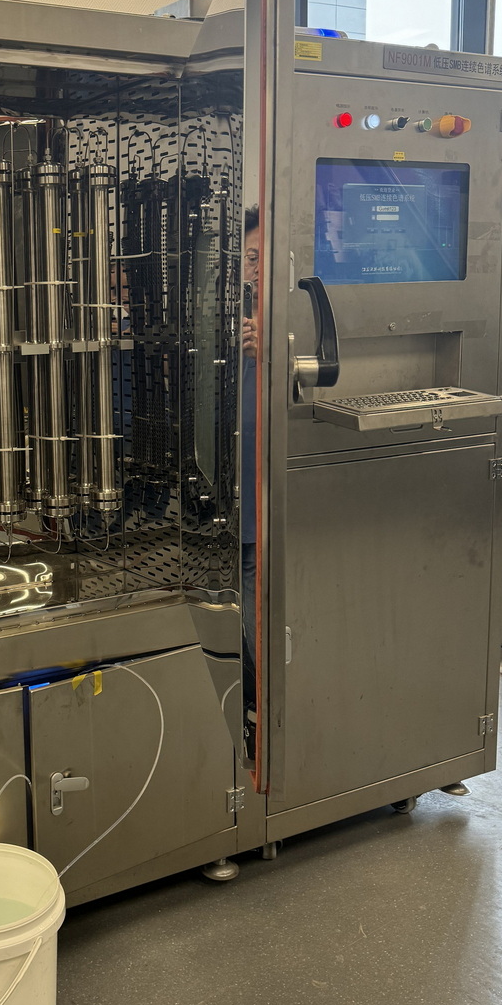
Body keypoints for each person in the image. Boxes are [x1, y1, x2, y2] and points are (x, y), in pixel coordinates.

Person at [240, 208, 259, 726]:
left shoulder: (297, 323)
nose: (256, 268)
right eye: (250, 257)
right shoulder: (233, 316)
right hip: (236, 503)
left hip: (275, 508)